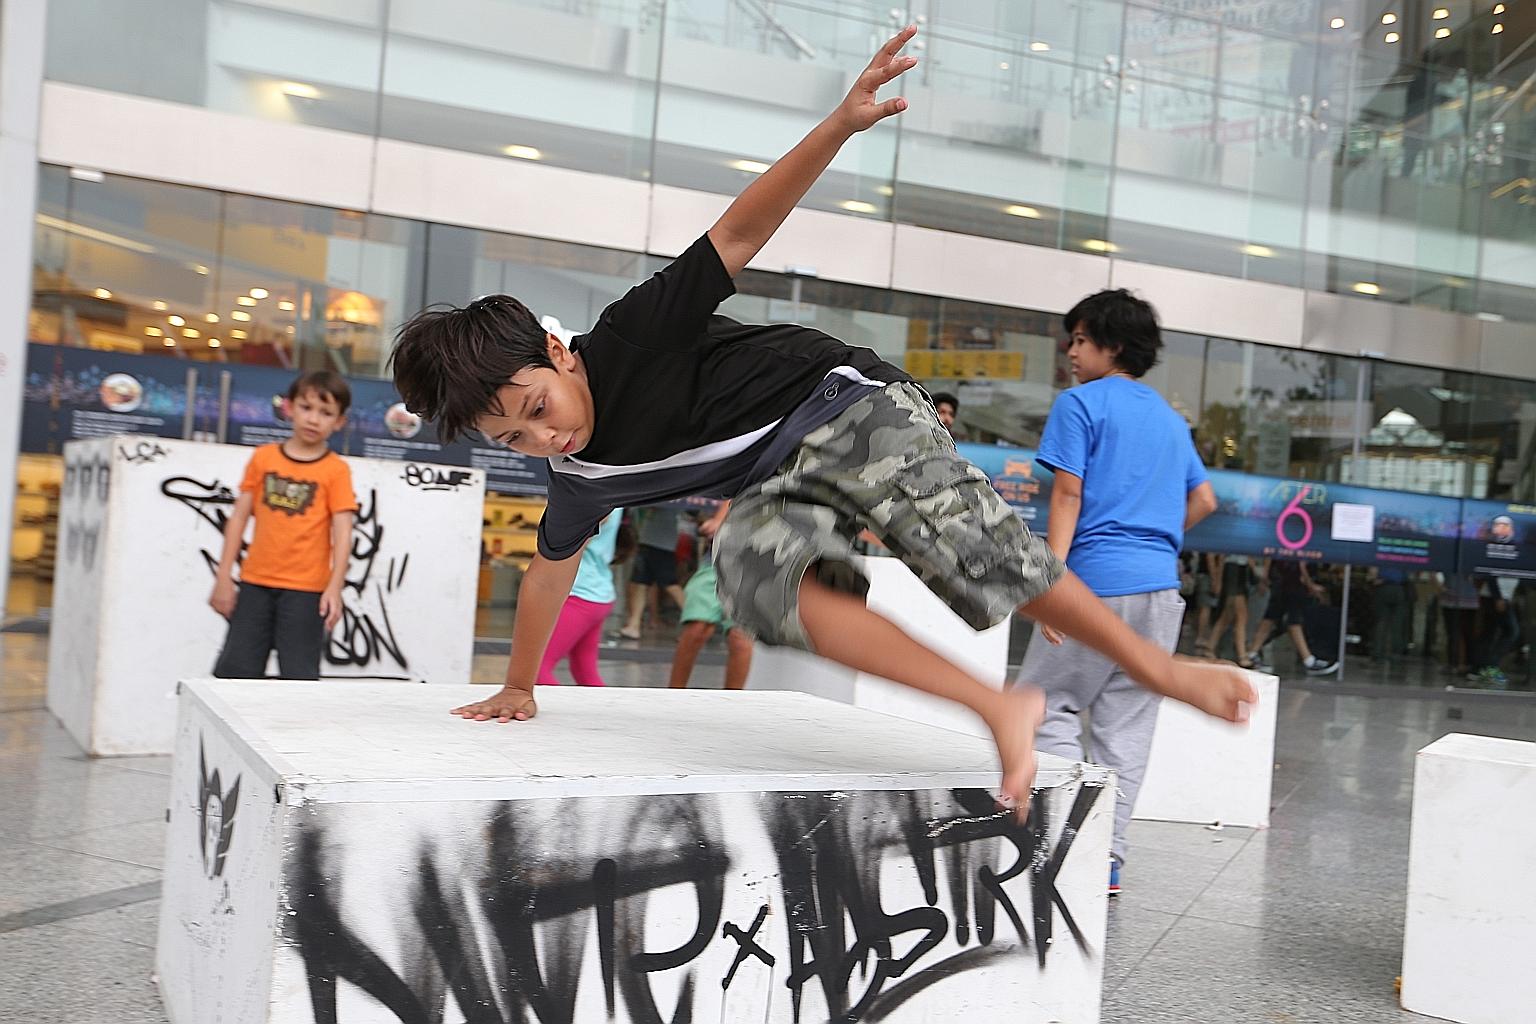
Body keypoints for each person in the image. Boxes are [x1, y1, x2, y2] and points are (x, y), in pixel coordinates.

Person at [389, 25, 1256, 816]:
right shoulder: (579, 475)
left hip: (850, 402)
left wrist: (841, 124)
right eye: (515, 440)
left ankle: (1160, 669)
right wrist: (520, 684)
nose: (546, 440)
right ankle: (998, 706)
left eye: (538, 409)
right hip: (784, 476)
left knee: (963, 540)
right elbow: (549, 573)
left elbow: (738, 234)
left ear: (558, 351)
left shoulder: (632, 333)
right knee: (750, 571)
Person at [1013, 288, 1219, 893]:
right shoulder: (1170, 420)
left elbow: (1068, 494)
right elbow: (1204, 500)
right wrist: (1151, 541)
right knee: (1126, 725)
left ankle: (1060, 836)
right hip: (1159, 590)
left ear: (1114, 345)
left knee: (1041, 704)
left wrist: (1049, 582)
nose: (1071, 352)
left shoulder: (1080, 404)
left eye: (1081, 340)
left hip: (1093, 585)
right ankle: (1106, 857)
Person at [209, 371, 357, 679]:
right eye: (306, 407)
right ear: (289, 407)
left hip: (307, 591)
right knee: (236, 673)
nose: (313, 419)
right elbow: (239, 518)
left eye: (326, 412)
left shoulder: (336, 470)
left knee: (299, 679)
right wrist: (224, 577)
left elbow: (343, 532)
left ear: (340, 421)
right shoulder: (263, 458)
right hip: (255, 584)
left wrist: (335, 587)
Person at [669, 501, 754, 690]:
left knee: (739, 638)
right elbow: (737, 493)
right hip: (721, 554)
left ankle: (732, 701)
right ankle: (673, 694)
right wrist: (718, 520)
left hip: (756, 561)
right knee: (697, 627)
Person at [535, 509, 623, 687]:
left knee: (536, 670)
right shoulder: (612, 498)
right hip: (594, 592)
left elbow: (569, 543)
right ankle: (608, 705)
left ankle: (557, 706)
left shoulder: (597, 498)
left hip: (580, 592)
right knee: (585, 673)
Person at [1243, 559, 1336, 674]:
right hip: (1291, 580)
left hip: (1282, 578)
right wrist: (1309, 584)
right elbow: (1301, 564)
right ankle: (1308, 660)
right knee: (1292, 618)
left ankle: (1252, 653)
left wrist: (1266, 576)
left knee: (1272, 617)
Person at [618, 505, 685, 640]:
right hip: (649, 540)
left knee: (670, 584)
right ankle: (634, 624)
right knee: (639, 582)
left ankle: (696, 620)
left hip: (662, 543)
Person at [1206, 554, 1255, 664]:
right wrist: (1217, 579)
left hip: (1239, 568)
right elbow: (1221, 556)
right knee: (1241, 615)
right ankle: (1242, 655)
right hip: (1234, 568)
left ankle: (1210, 646)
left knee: (1228, 615)